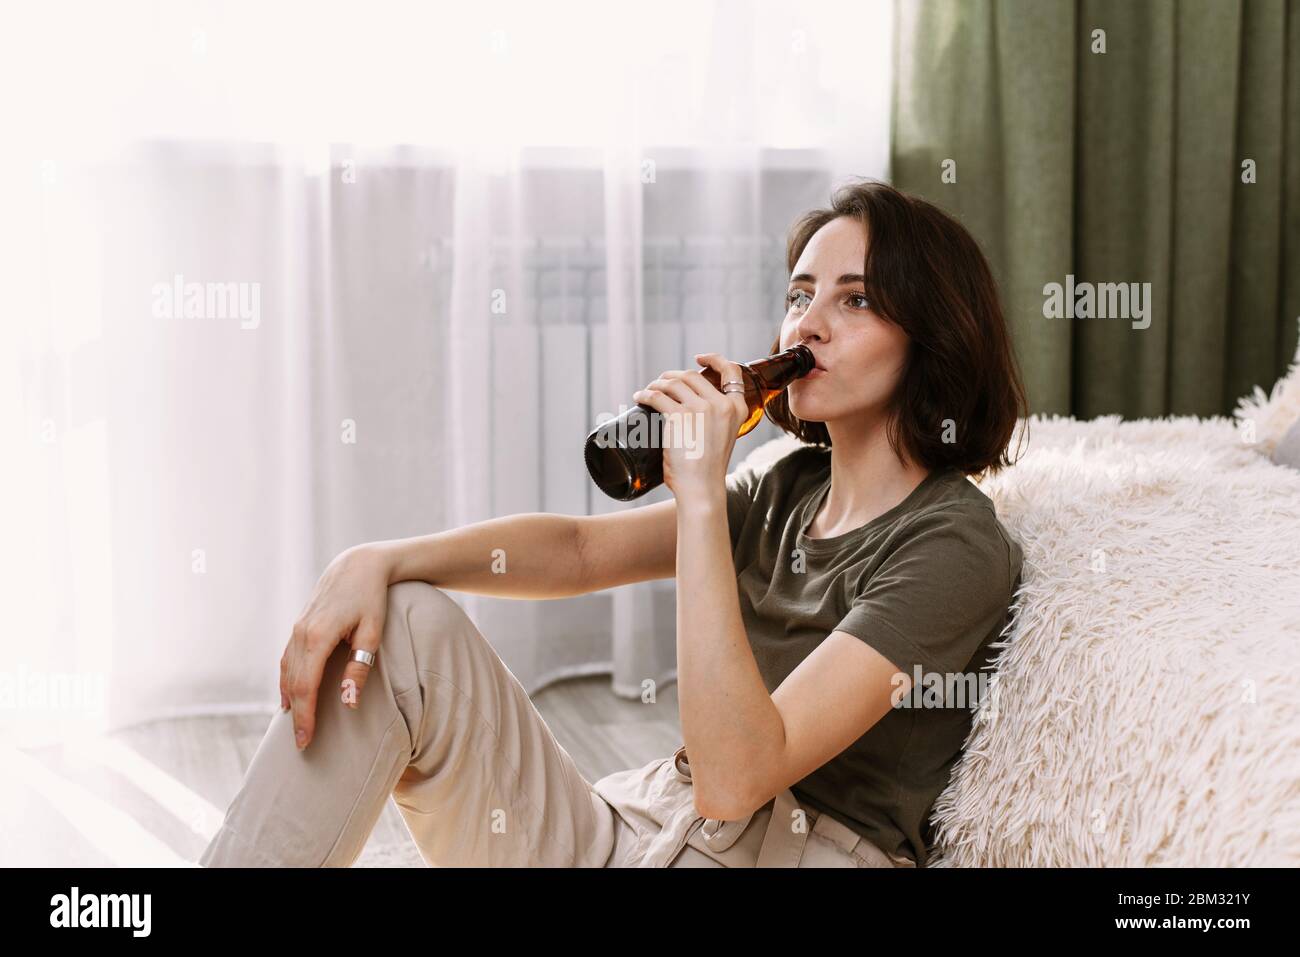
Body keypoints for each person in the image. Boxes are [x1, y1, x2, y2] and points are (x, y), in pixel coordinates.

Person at [200, 178, 1027, 868]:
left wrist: (701, 496)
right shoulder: (786, 484)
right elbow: (579, 548)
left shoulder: (953, 543)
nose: (806, 324)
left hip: (789, 852)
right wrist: (379, 558)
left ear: (932, 338)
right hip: (640, 831)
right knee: (408, 623)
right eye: (800, 294)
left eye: (856, 300)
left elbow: (738, 776)